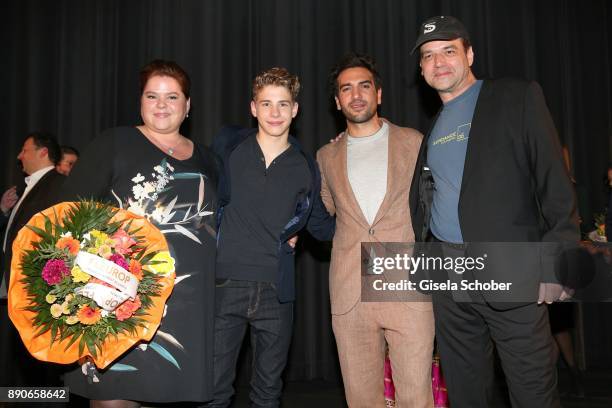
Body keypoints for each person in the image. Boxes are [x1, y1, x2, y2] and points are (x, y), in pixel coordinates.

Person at [409, 16, 580, 407]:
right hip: (449, 278)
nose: (439, 63)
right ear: (421, 70)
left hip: (511, 271)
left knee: (532, 391)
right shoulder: (433, 127)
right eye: (429, 56)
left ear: (469, 54)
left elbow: (554, 182)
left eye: (449, 51)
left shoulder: (516, 97)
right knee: (467, 392)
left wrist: (558, 260)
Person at [60, 60, 218, 407]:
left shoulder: (209, 160)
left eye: (172, 97)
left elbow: (231, 214)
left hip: (186, 309)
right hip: (118, 297)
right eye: (152, 95)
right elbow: (68, 216)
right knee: (114, 397)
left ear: (188, 106)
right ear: (140, 101)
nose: (162, 105)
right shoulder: (113, 143)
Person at [207, 67, 334, 408]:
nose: (274, 113)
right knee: (214, 391)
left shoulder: (306, 166)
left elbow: (322, 226)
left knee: (267, 393)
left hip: (277, 294)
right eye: (266, 104)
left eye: (282, 104)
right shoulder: (227, 147)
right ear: (253, 108)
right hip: (223, 285)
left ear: (295, 109)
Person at [317, 53, 434, 407]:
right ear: (337, 102)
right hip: (350, 289)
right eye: (346, 89)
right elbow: (325, 211)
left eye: (364, 86)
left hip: (406, 284)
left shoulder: (414, 142)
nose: (356, 95)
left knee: (416, 397)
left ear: (378, 94)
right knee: (361, 398)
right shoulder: (325, 156)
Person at [0, 132, 66, 391]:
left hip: (39, 288)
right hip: (20, 286)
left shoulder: (58, 184)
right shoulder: (29, 188)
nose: (19, 156)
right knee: (26, 362)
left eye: (24, 150)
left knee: (42, 364)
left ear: (43, 153)